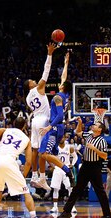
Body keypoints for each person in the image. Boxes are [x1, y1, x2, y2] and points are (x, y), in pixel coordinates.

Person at [0, 117, 43, 218]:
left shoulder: (6, 130)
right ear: (24, 127)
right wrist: (23, 176)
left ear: (13, 123)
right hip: (9, 161)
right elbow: (28, 162)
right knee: (26, 192)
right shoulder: (27, 140)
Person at [58, 117, 111, 218]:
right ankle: (66, 211)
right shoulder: (89, 135)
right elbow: (78, 132)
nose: (93, 125)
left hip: (95, 166)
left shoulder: (102, 141)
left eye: (96, 125)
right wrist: (80, 122)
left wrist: (94, 149)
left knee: (100, 191)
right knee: (77, 189)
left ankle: (107, 214)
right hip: (85, 165)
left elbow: (105, 156)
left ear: (100, 129)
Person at [23, 42, 58, 190]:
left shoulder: (27, 99)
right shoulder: (38, 89)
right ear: (31, 86)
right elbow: (46, 71)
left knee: (35, 150)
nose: (35, 81)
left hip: (34, 121)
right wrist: (50, 53)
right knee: (42, 151)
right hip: (43, 120)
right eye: (32, 81)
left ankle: (35, 175)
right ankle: (43, 178)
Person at [38, 52, 73, 188]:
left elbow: (59, 116)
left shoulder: (58, 97)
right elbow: (64, 77)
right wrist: (66, 63)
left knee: (44, 154)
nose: (60, 82)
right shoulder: (66, 95)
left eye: (61, 83)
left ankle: (67, 170)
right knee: (48, 155)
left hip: (54, 128)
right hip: (59, 129)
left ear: (62, 87)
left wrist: (48, 127)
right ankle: (61, 172)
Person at [49, 136, 77, 213]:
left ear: (65, 138)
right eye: (60, 138)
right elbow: (49, 157)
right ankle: (55, 207)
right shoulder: (55, 147)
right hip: (57, 169)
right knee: (55, 188)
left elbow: (75, 157)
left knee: (70, 188)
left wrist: (72, 164)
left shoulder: (69, 147)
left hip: (66, 168)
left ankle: (72, 206)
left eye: (62, 138)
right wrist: (52, 166)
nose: (61, 139)